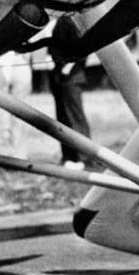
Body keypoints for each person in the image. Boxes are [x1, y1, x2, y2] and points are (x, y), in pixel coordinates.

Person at [46, 17, 91, 168]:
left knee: (74, 117)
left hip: (71, 77)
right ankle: (69, 156)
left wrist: (68, 66)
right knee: (63, 118)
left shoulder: (70, 21)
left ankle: (83, 157)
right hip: (60, 76)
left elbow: (83, 48)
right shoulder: (63, 21)